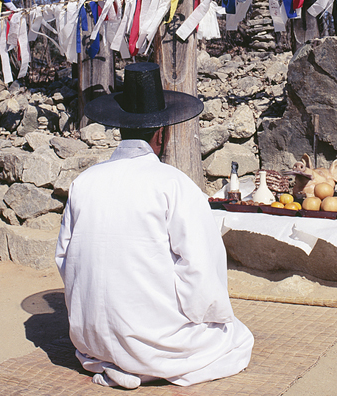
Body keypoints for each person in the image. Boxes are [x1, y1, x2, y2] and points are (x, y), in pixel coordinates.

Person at [56, 62, 254, 389]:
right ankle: (144, 359)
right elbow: (202, 270)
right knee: (235, 337)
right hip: (150, 338)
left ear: (120, 128)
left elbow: (65, 260)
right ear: (160, 134)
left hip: (91, 341)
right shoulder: (174, 185)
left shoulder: (84, 183)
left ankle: (119, 356)